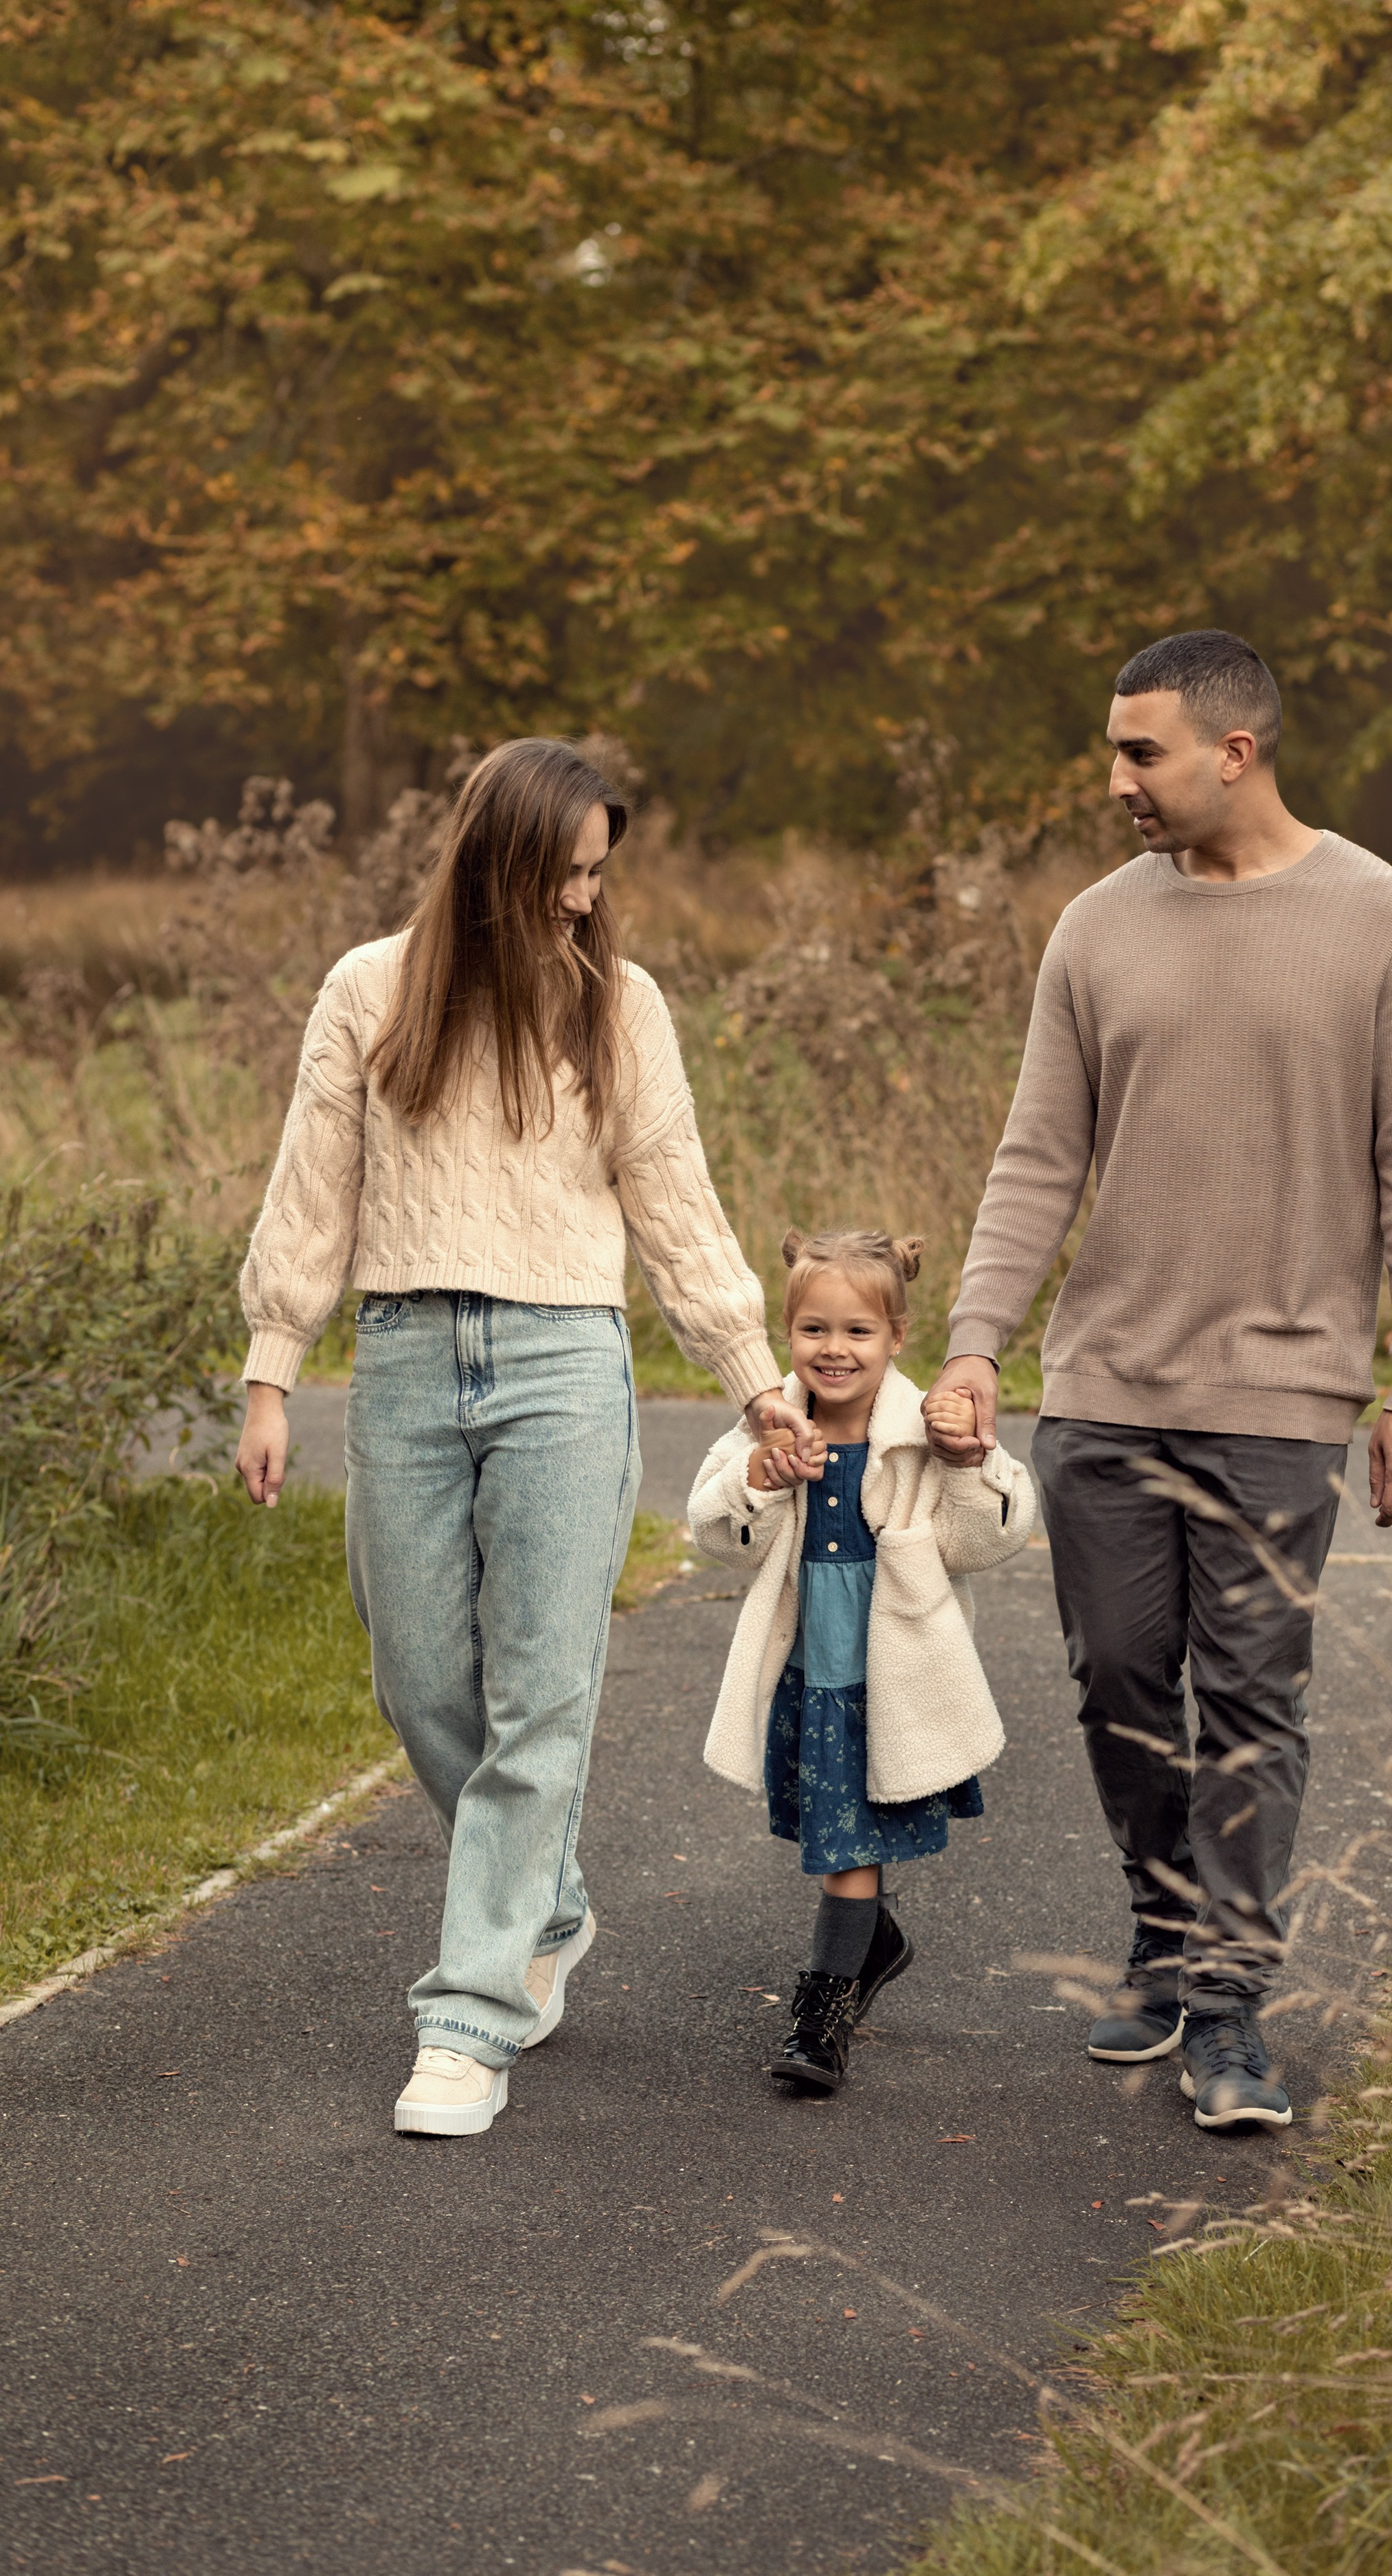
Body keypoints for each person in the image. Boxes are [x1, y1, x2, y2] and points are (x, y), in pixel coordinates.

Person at [922, 631, 1392, 2134]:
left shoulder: (1381, 922)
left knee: (1248, 1701)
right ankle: (1159, 1930)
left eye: (1139, 753)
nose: (1115, 783)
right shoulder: (1095, 929)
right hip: (1104, 1380)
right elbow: (1038, 1156)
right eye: (1111, 751)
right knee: (1114, 1684)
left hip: (1284, 1394)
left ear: (1234, 750)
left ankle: (1226, 2000)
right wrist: (974, 1341)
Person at [234, 738, 816, 2139]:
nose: (578, 901)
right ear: (493, 860)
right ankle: (545, 1904)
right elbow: (315, 1185)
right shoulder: (369, 990)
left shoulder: (620, 1008)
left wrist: (751, 1376)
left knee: (541, 1698)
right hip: (404, 1358)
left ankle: (471, 2016)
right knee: (420, 1675)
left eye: (596, 875)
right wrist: (271, 1369)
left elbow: (675, 1203)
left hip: (564, 1360)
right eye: (561, 873)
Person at [689, 1228, 1035, 2094]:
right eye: (813, 1330)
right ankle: (871, 1940)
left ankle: (825, 2010)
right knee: (836, 1832)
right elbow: (716, 1533)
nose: (833, 1351)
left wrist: (969, 1460)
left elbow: (988, 1538)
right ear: (787, 1333)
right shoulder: (767, 1427)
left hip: (886, 1681)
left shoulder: (925, 1434)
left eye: (857, 1333)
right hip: (809, 1676)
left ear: (897, 1338)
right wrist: (762, 1482)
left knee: (847, 1841)